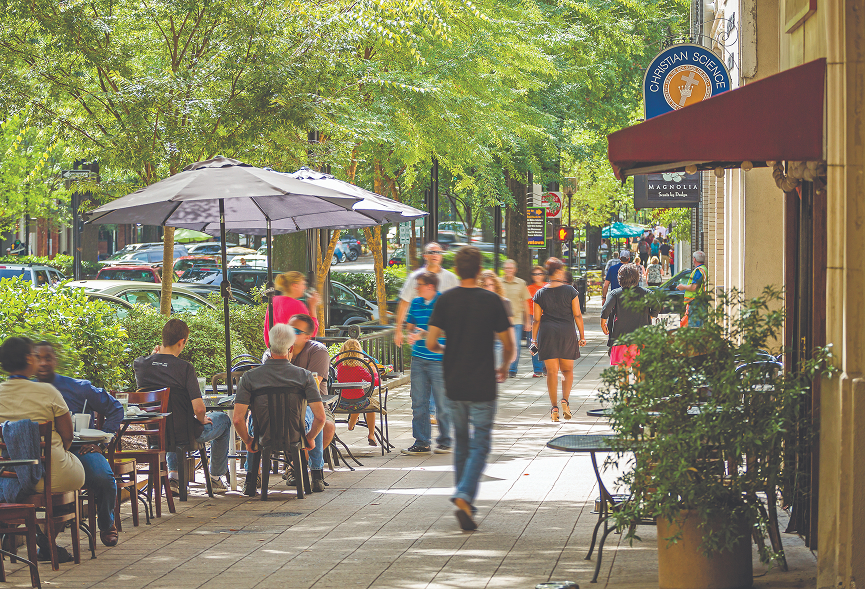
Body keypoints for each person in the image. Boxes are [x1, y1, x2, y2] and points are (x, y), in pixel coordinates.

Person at [426, 246, 513, 531]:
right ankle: (464, 494)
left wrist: (447, 349)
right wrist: (504, 366)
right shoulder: (492, 300)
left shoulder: (445, 300)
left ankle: (466, 501)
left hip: (454, 381)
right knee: (481, 443)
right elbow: (509, 343)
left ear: (457, 270)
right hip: (483, 382)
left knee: (461, 442)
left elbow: (431, 342)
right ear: (478, 270)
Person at [0, 337, 85, 562]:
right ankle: (47, 542)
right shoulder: (47, 391)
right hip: (52, 474)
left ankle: (37, 539)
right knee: (75, 474)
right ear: (29, 359)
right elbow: (68, 436)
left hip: (10, 477)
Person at [34, 342, 123, 547]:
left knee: (103, 477)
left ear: (55, 361)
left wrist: (102, 441)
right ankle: (45, 541)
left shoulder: (79, 387)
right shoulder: (27, 390)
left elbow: (116, 409)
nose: (43, 363)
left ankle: (107, 522)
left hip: (80, 448)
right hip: (42, 453)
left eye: (48, 358)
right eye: (38, 358)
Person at [134, 319, 231, 493]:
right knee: (223, 419)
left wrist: (153, 357)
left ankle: (174, 477)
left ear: (163, 339)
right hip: (185, 435)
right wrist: (202, 419)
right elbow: (199, 409)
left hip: (155, 433)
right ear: (181, 342)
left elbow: (151, 368)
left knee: (169, 419)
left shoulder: (140, 364)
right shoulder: (185, 368)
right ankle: (215, 478)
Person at [232, 324, 325, 492]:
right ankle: (317, 476)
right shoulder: (305, 376)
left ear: (269, 347)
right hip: (296, 433)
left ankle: (251, 479)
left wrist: (248, 440)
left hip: (262, 434)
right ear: (291, 348)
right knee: (312, 411)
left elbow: (238, 419)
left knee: (253, 417)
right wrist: (310, 438)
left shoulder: (249, 377)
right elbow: (321, 418)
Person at [531, 257, 586, 422]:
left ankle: (554, 408)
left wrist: (534, 340)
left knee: (551, 372)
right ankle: (565, 401)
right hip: (567, 332)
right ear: (558, 271)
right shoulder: (570, 291)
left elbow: (536, 320)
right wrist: (582, 336)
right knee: (567, 371)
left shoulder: (540, 293)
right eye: (562, 270)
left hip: (547, 333)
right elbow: (577, 314)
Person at [402, 272, 451, 455]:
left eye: (419, 285)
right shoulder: (416, 303)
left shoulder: (444, 303)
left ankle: (445, 441)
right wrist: (410, 334)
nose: (416, 288)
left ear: (430, 286)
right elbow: (410, 325)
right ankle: (422, 442)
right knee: (418, 403)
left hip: (439, 360)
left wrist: (423, 334)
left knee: (442, 403)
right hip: (418, 360)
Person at [284, 313, 335, 491]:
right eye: (288, 328)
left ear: (307, 336)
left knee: (326, 425)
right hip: (284, 406)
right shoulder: (277, 349)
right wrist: (286, 360)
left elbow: (313, 387)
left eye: (295, 331)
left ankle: (295, 465)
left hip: (316, 404)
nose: (289, 332)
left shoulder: (317, 351)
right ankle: (255, 475)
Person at [394, 242, 460, 347]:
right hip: (419, 339)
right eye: (431, 252)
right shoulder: (415, 277)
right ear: (425, 255)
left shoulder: (451, 278)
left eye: (438, 252)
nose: (435, 255)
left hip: (443, 339)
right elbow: (404, 303)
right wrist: (398, 331)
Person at [601, 264, 658, 368]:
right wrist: (651, 316)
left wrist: (603, 323)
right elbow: (657, 306)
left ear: (620, 278)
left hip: (620, 338)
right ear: (637, 277)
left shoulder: (615, 294)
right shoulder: (646, 293)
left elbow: (605, 309)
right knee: (639, 369)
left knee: (623, 369)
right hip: (641, 339)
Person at [336, 339, 382, 447]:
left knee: (354, 401)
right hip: (359, 402)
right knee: (368, 405)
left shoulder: (339, 367)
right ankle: (371, 434)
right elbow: (376, 382)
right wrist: (374, 372)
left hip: (341, 402)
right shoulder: (359, 369)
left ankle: (351, 423)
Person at [263, 271, 321, 345]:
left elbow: (267, 330)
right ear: (295, 286)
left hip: (275, 348)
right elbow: (311, 332)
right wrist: (312, 306)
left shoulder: (273, 301)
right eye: (303, 284)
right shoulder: (297, 305)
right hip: (294, 349)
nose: (305, 287)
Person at [478, 270, 516, 369]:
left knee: (494, 374)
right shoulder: (477, 303)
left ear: (496, 285)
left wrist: (513, 348)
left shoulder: (504, 302)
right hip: (480, 343)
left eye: (491, 284)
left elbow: (510, 327)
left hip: (497, 343)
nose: (489, 287)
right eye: (485, 285)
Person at [501, 260, 532, 378]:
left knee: (516, 346)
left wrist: (527, 321)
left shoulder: (521, 283)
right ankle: (503, 367)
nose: (508, 270)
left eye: (511, 268)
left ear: (515, 270)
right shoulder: (498, 282)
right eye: (506, 268)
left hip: (517, 320)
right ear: (504, 269)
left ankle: (512, 370)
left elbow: (525, 303)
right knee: (502, 345)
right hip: (501, 320)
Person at [677, 251, 707, 327]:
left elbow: (694, 287)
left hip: (696, 302)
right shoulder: (704, 269)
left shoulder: (698, 271)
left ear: (694, 259)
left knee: (694, 326)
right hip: (701, 300)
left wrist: (683, 287)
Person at [527, 265, 548, 377]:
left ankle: (545, 367)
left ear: (543, 275)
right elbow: (526, 305)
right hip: (533, 317)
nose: (537, 276)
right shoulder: (529, 288)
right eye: (535, 274)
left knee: (546, 343)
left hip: (546, 317)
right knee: (534, 343)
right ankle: (537, 369)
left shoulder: (548, 287)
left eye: (540, 274)